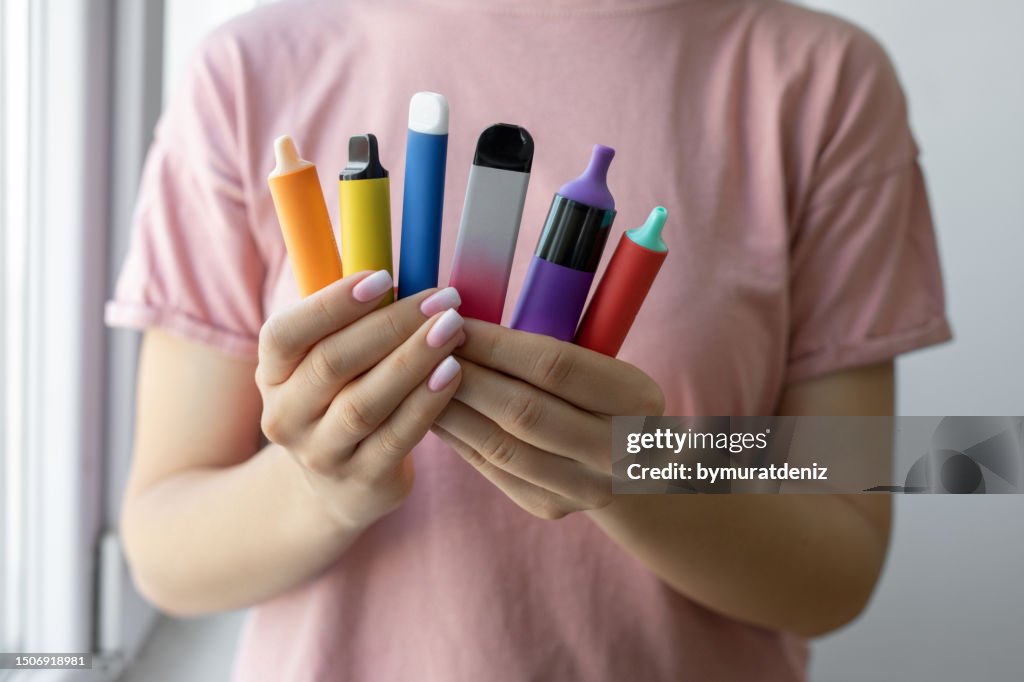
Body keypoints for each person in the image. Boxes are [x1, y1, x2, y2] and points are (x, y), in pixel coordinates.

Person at [105, 0, 952, 679]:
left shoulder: (824, 79)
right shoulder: (248, 69)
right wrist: (323, 490)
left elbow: (843, 557)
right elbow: (165, 551)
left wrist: (644, 470)